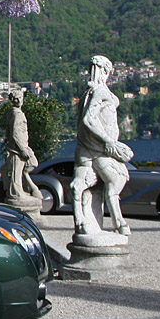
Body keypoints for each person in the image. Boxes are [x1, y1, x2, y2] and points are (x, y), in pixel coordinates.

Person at [69, 55, 133, 236]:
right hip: (100, 149)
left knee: (80, 184)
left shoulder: (86, 94)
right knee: (116, 180)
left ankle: (82, 221)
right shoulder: (100, 92)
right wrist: (108, 141)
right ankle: (118, 222)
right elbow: (89, 119)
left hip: (84, 147)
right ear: (104, 71)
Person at [2, 89, 42, 204]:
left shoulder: (12, 112)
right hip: (18, 148)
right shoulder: (17, 114)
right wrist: (22, 149)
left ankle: (20, 191)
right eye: (16, 98)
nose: (19, 100)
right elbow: (15, 133)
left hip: (19, 146)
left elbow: (8, 131)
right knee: (16, 171)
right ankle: (16, 193)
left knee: (30, 164)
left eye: (20, 98)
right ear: (13, 100)